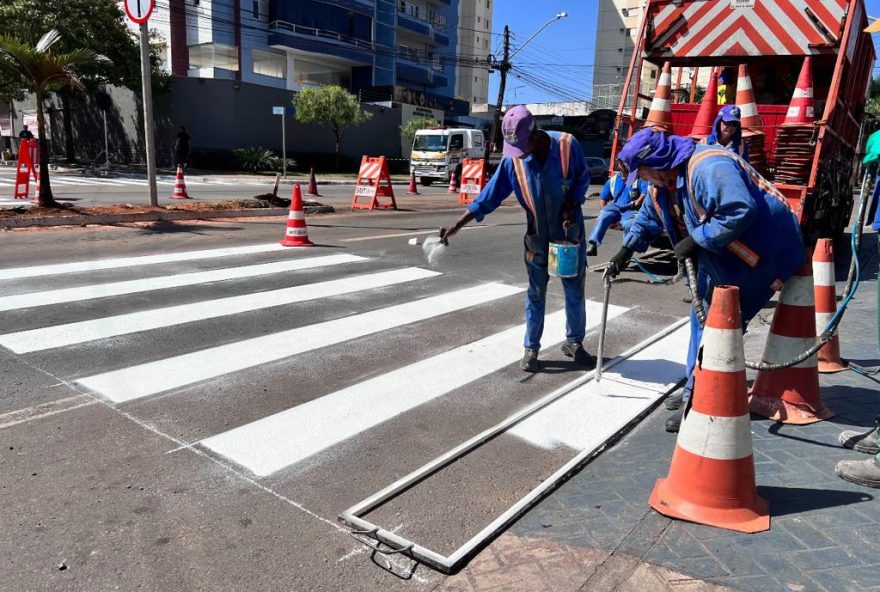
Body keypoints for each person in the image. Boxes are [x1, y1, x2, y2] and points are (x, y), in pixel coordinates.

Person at [608, 128, 803, 432]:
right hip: (728, 253)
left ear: (658, 163)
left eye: (643, 173)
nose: (643, 180)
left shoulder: (709, 166)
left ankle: (700, 397)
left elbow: (739, 209)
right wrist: (625, 250)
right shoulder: (664, 184)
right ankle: (695, 386)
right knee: (705, 321)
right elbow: (649, 216)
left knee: (719, 324)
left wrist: (697, 240)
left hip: (763, 253)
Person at [439, 106, 592, 373]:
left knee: (574, 291)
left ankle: (574, 343)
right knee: (535, 294)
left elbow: (582, 178)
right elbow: (489, 195)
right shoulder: (513, 162)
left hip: (569, 234)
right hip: (537, 238)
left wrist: (571, 202)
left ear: (534, 135)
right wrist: (458, 224)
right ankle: (531, 348)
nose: (518, 153)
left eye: (521, 146)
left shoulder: (568, 145)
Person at [585, 164, 650, 256]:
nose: (624, 164)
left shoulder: (636, 177)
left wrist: (637, 202)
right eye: (621, 162)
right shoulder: (613, 180)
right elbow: (603, 198)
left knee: (630, 224)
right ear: (618, 164)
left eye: (626, 162)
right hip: (615, 208)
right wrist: (604, 210)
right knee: (603, 215)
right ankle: (593, 245)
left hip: (630, 210)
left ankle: (624, 253)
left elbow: (645, 193)